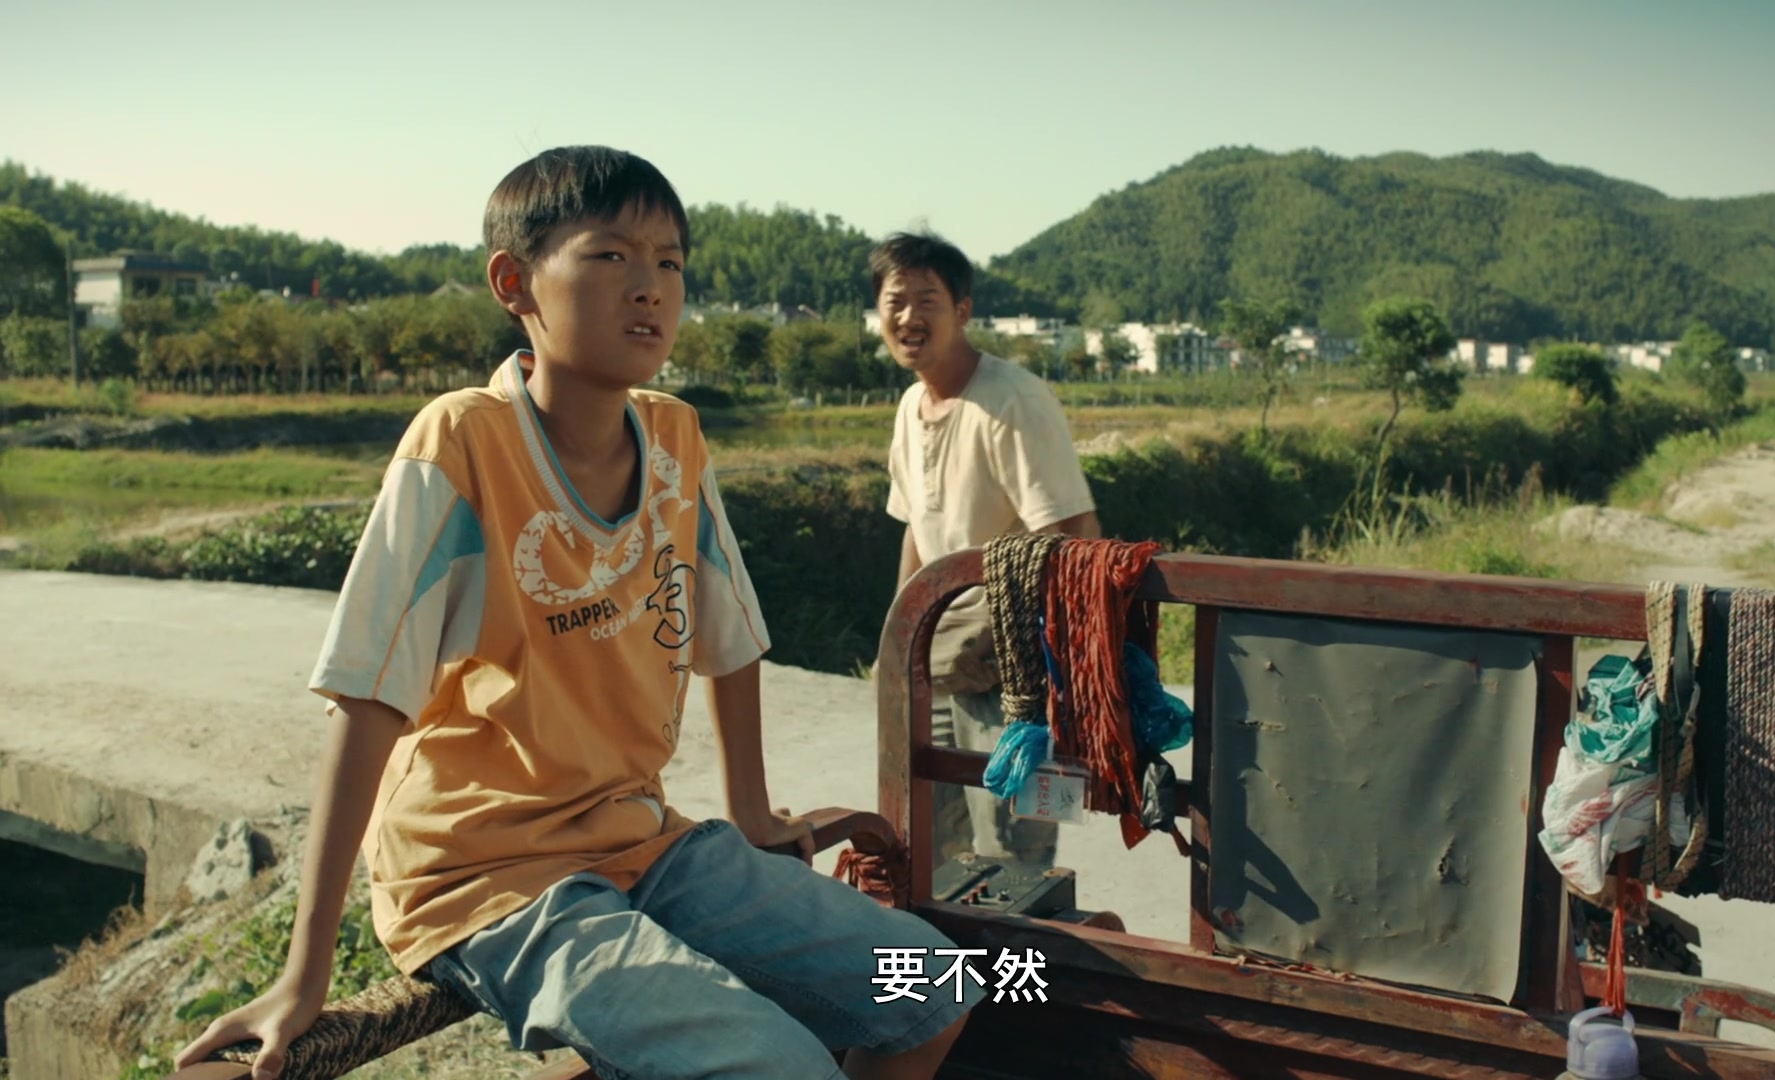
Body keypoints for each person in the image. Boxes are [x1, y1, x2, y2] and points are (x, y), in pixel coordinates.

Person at [176, 147, 976, 1080]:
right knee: (774, 1064)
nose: (650, 287)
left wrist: (753, 813)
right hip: (486, 871)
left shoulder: (674, 436)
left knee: (938, 982)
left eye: (669, 262)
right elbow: (366, 697)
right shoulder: (463, 444)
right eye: (610, 256)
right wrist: (305, 973)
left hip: (644, 839)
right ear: (514, 283)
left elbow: (728, 633)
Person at [873, 232, 1101, 871]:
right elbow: (915, 530)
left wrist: (1071, 678)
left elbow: (1072, 534)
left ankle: (1029, 942)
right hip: (938, 656)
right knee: (931, 845)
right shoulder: (911, 405)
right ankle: (952, 947)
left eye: (927, 300)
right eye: (895, 301)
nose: (909, 317)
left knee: (1019, 853)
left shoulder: (1013, 398)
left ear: (963, 310)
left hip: (1015, 669)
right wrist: (897, 645)